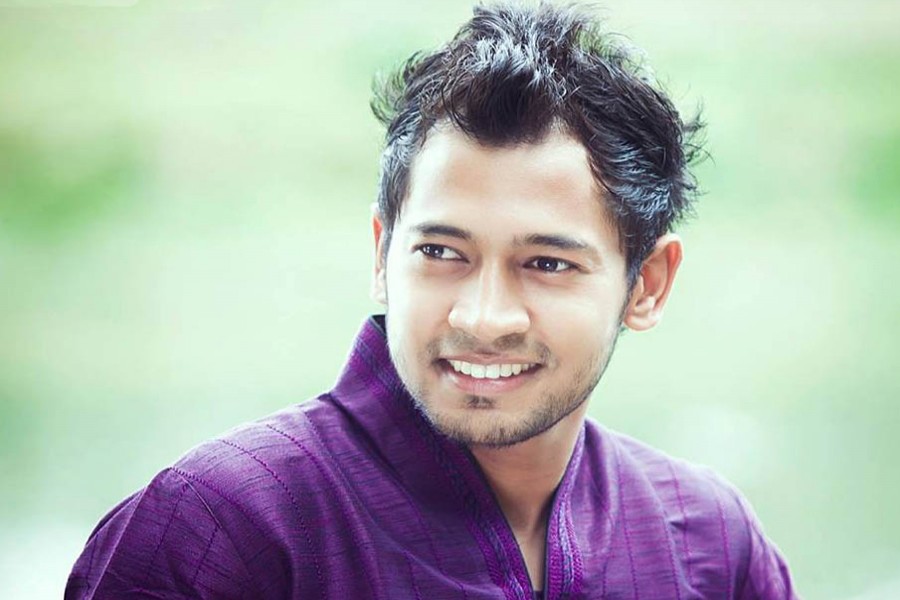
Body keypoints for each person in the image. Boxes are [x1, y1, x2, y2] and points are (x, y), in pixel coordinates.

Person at [66, 3, 797, 599]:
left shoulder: (705, 544)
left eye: (546, 264)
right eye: (442, 253)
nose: (482, 317)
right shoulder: (224, 531)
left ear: (648, 284)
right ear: (382, 255)